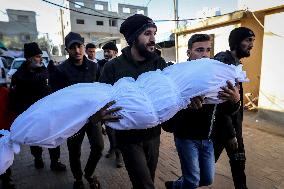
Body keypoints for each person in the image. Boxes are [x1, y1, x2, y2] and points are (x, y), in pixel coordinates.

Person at [99, 14, 168, 189]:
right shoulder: (113, 67)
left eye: (154, 33)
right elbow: (100, 99)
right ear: (132, 38)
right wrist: (100, 115)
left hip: (153, 135)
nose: (153, 39)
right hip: (128, 138)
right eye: (147, 33)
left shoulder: (159, 64)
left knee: (147, 180)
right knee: (145, 186)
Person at [164, 34, 241, 189]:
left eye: (208, 50)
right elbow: (166, 113)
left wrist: (235, 100)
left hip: (207, 138)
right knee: (192, 181)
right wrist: (185, 105)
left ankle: (175, 185)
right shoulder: (177, 76)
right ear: (188, 53)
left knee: (206, 180)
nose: (205, 54)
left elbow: (223, 111)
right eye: (199, 50)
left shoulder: (215, 76)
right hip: (185, 138)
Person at [49, 32, 121, 189]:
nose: (77, 50)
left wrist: (101, 115)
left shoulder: (94, 66)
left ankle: (89, 173)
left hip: (93, 116)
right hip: (73, 119)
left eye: (79, 46)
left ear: (83, 46)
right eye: (72, 47)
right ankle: (78, 179)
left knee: (99, 147)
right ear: (67, 50)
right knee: (74, 151)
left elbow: (101, 90)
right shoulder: (61, 71)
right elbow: (57, 99)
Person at [9, 42, 66, 172]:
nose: (41, 59)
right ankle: (38, 158)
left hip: (48, 113)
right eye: (37, 56)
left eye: (41, 56)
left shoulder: (43, 69)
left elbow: (51, 86)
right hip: (31, 115)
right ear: (29, 58)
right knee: (34, 140)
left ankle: (55, 162)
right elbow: (15, 99)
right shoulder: (19, 76)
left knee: (53, 137)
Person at [212, 27, 255, 189]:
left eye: (253, 41)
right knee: (203, 172)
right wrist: (231, 134)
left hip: (232, 126)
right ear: (237, 42)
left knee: (238, 167)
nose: (251, 45)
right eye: (248, 40)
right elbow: (221, 103)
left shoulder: (234, 63)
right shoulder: (225, 63)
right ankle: (178, 185)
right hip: (224, 129)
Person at [97, 42, 123, 168]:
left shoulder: (121, 65)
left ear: (115, 52)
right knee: (109, 129)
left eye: (109, 51)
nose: (106, 54)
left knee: (117, 129)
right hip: (105, 102)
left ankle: (119, 155)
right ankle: (113, 148)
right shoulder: (100, 65)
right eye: (105, 51)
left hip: (118, 101)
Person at [0, 85, 16, 189]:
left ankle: (6, 179)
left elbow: (12, 111)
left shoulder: (4, 92)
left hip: (3, 132)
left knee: (4, 156)